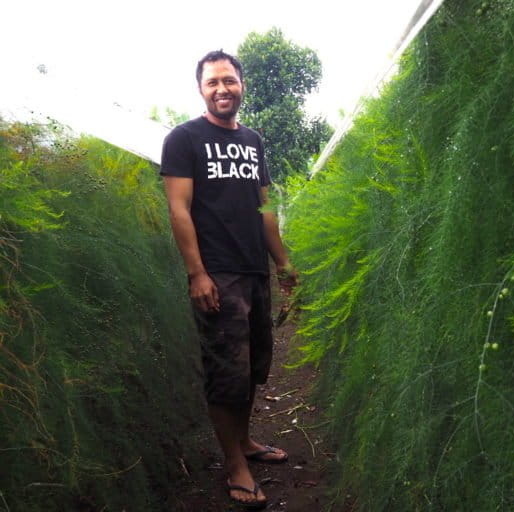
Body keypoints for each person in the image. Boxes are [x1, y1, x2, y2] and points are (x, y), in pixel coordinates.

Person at [160, 49, 298, 509]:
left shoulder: (253, 140)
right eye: (213, 82)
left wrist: (282, 263)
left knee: (253, 364)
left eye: (229, 80)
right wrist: (197, 273)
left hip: (254, 269)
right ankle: (235, 466)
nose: (222, 89)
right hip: (217, 273)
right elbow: (179, 209)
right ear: (201, 89)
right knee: (226, 372)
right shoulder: (184, 139)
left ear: (242, 85)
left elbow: (265, 208)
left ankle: (245, 441)